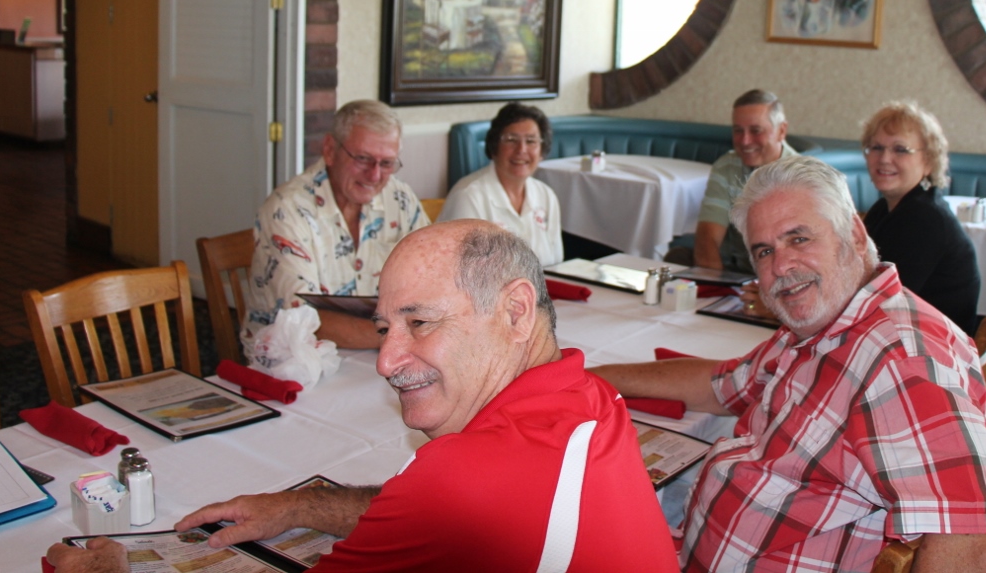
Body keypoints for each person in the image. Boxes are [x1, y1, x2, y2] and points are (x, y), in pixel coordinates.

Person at [46, 221, 677, 573]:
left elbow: (455, 499)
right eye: (383, 328)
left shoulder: (463, 475)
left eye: (420, 322)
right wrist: (303, 505)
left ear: (515, 311)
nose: (385, 360)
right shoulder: (592, 396)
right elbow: (458, 519)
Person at [594, 156, 986, 573]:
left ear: (854, 234)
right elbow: (719, 385)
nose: (781, 265)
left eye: (799, 239)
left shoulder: (899, 360)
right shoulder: (822, 326)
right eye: (764, 251)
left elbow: (983, 541)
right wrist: (588, 378)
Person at [243, 100, 428, 356]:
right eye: (363, 159)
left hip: (381, 352)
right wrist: (404, 335)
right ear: (330, 150)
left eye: (386, 163)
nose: (374, 176)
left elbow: (433, 281)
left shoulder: (399, 198)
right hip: (292, 360)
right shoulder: (287, 210)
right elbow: (303, 319)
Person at [861, 100, 981, 334]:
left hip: (933, 346)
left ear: (928, 161)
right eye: (876, 147)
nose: (884, 158)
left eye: (900, 149)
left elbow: (881, 301)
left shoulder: (925, 220)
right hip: (902, 333)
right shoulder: (884, 209)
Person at [438, 102, 563, 266]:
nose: (521, 149)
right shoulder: (469, 196)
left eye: (531, 141)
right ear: (494, 146)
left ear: (542, 150)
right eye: (511, 140)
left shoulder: (546, 195)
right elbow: (458, 270)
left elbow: (557, 264)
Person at [693, 89, 797, 273]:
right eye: (738, 131)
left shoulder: (804, 177)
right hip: (736, 273)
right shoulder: (726, 167)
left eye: (756, 131)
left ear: (781, 131)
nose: (745, 141)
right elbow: (707, 237)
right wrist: (715, 283)